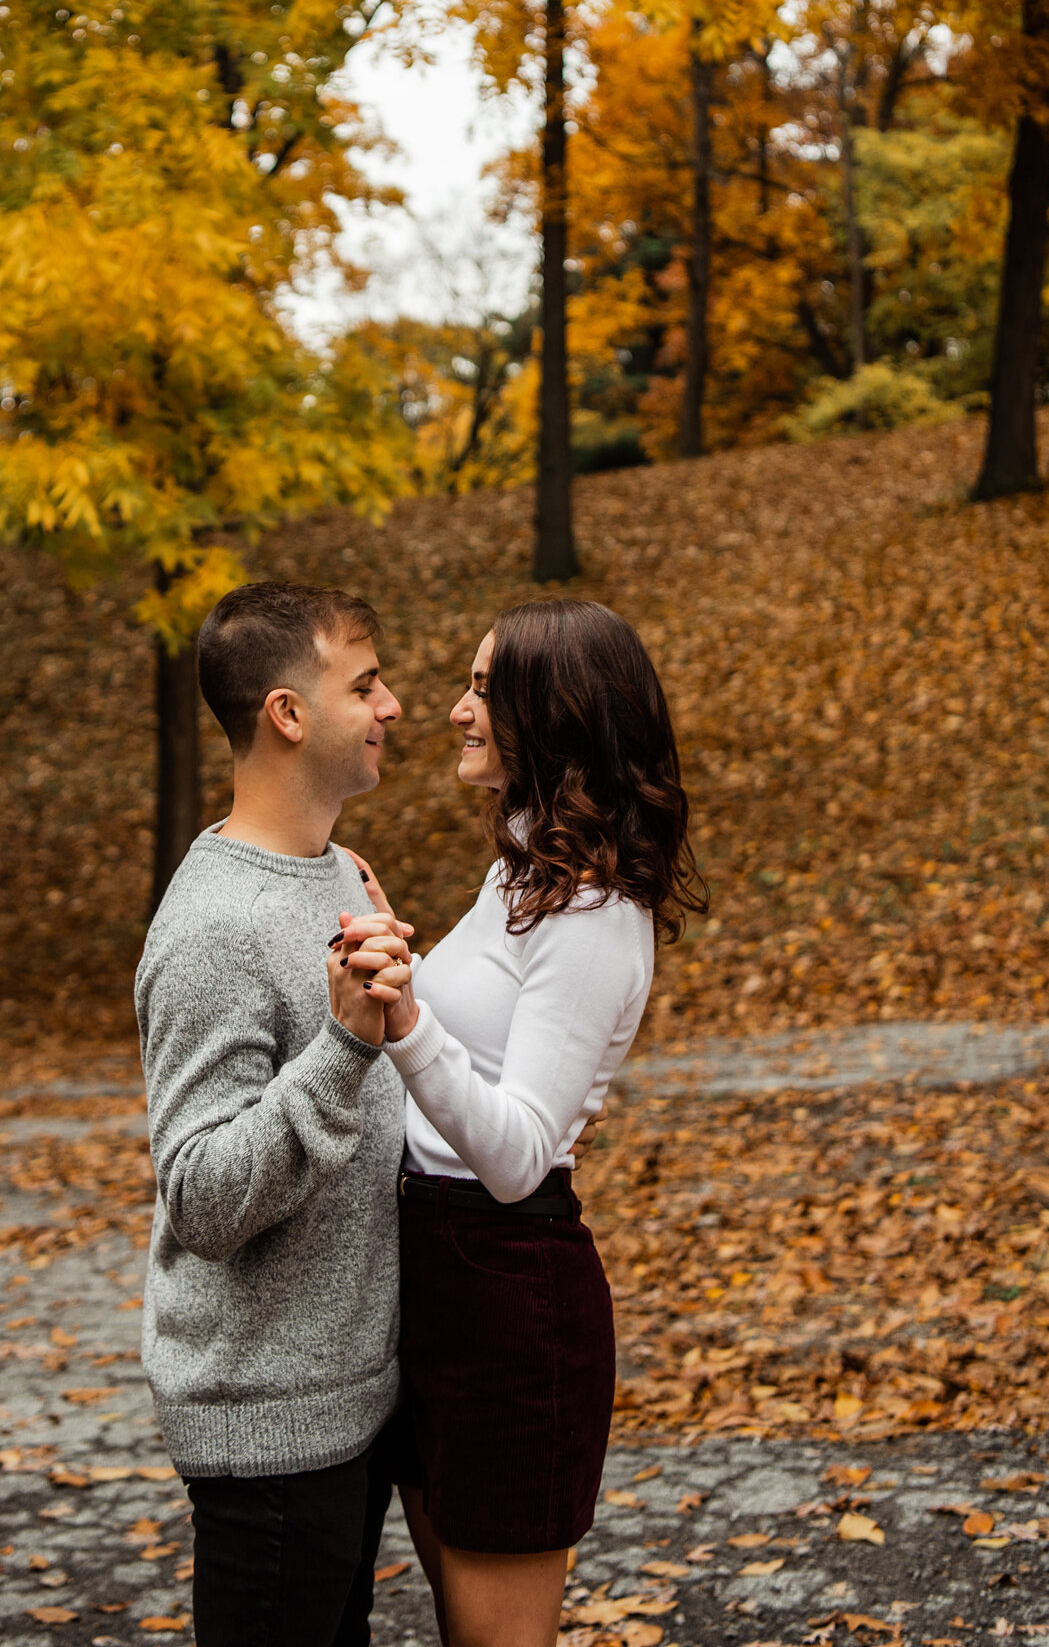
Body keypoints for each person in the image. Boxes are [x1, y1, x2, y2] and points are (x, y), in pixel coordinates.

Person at [339, 598, 707, 1647]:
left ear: (557, 713)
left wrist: (405, 1013)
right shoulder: (520, 877)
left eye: (484, 689)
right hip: (434, 1273)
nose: (455, 710)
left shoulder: (593, 914)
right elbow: (466, 1063)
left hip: (509, 1292)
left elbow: (513, 1153)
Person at [134, 580, 414, 1647]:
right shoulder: (214, 924)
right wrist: (345, 1043)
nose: (390, 705)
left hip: (349, 1406)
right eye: (366, 682)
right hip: (270, 1428)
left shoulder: (333, 870)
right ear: (287, 713)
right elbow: (200, 1191)